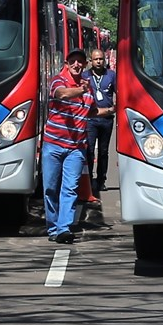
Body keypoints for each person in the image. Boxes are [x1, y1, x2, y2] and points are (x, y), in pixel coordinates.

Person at [41, 49, 94, 244]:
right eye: (73, 61)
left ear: (85, 65)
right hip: (53, 145)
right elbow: (62, 94)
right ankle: (53, 228)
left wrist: (114, 108)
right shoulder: (58, 81)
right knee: (50, 188)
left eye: (80, 62)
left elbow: (92, 111)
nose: (76, 65)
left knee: (70, 188)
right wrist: (82, 90)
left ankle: (63, 229)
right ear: (67, 64)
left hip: (76, 148)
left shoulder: (87, 88)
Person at [82, 48, 117, 195]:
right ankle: (89, 180)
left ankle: (101, 180)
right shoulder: (85, 76)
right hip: (90, 119)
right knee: (89, 151)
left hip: (107, 119)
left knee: (103, 151)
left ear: (104, 60)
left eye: (101, 59)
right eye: (95, 59)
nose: (98, 62)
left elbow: (119, 92)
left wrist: (115, 108)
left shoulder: (111, 75)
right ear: (91, 61)